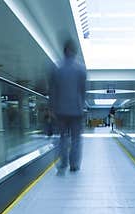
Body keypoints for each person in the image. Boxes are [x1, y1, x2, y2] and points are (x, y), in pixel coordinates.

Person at [49, 39, 86, 174]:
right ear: (75, 52)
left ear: (63, 51)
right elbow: (83, 91)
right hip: (76, 110)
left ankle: (63, 163)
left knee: (62, 137)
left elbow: (52, 91)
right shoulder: (81, 69)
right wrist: (81, 106)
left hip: (60, 110)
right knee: (76, 138)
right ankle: (74, 164)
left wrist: (51, 108)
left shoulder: (56, 68)